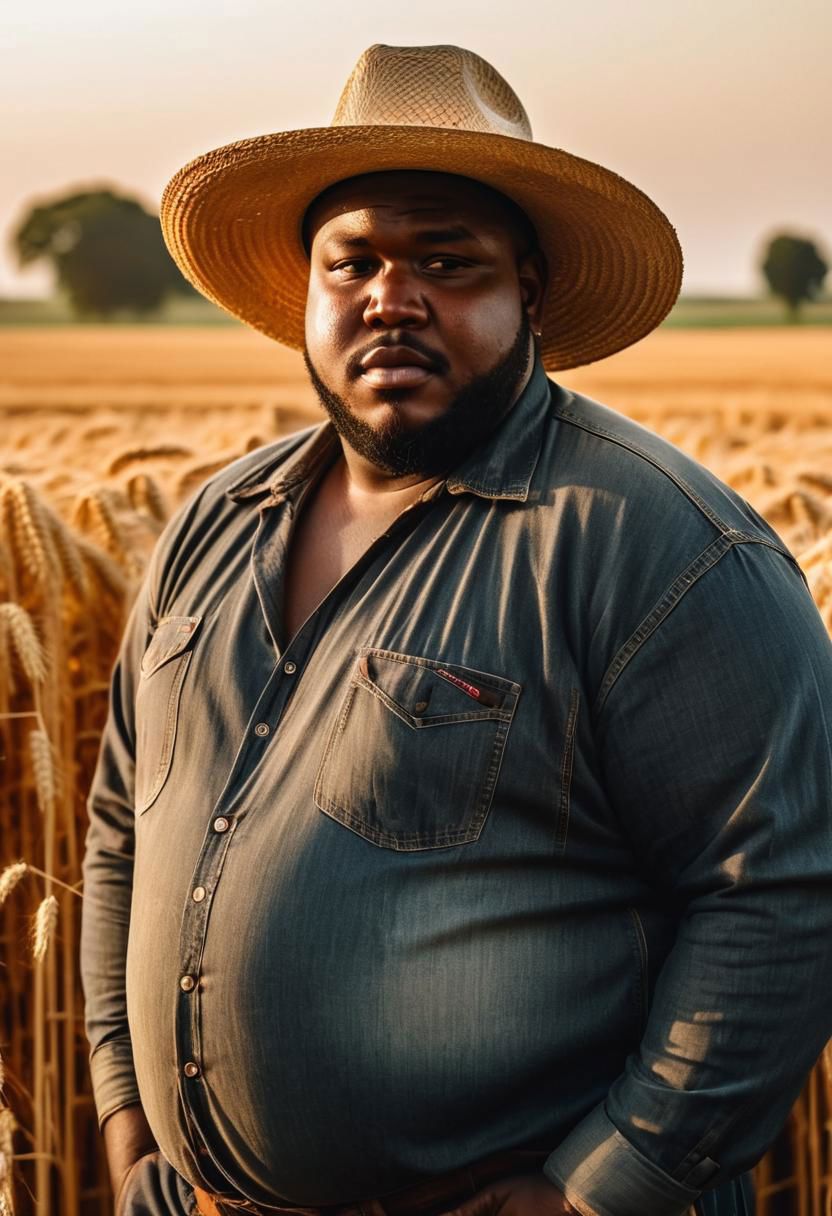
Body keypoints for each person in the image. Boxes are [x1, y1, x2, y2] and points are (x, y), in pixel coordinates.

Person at [80, 43, 832, 1216]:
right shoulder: (208, 529)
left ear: (526, 287)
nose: (393, 295)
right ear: (308, 291)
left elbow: (781, 891)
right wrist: (131, 1127)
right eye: (357, 261)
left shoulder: (657, 544)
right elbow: (124, 825)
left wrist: (599, 1192)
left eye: (446, 260)